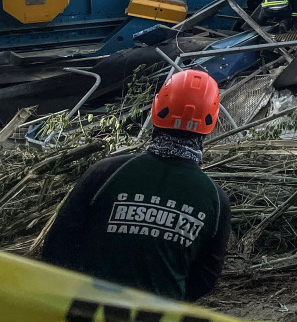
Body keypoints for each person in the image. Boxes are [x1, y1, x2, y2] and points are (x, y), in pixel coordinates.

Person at [43, 70, 230, 301]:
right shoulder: (215, 199)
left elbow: (57, 247)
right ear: (211, 120)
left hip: (89, 310)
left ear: (156, 110)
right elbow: (206, 276)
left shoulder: (106, 173)